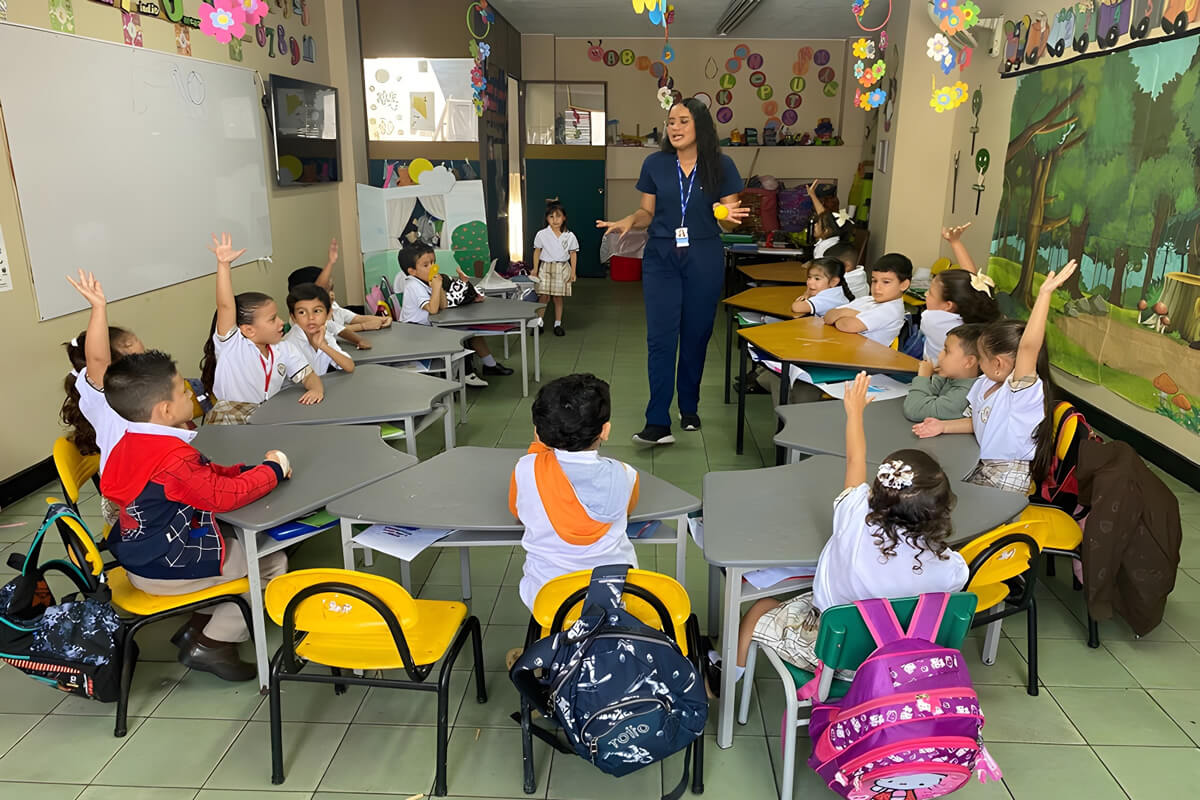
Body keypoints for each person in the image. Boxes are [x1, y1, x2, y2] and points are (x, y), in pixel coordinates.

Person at [703, 372, 967, 694]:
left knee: (759, 608)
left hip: (833, 658)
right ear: (941, 510)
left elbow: (855, 461)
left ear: (877, 497)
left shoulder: (856, 517)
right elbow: (954, 580)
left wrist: (854, 413)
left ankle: (726, 679)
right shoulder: (947, 566)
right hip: (900, 665)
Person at [99, 350, 291, 681]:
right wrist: (273, 470)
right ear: (166, 409)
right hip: (165, 565)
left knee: (234, 548)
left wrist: (246, 471)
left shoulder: (130, 443)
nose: (191, 392)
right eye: (183, 390)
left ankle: (198, 624)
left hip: (140, 557)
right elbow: (222, 496)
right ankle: (211, 642)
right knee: (271, 561)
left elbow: (204, 478)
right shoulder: (172, 459)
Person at [597, 98, 748, 445]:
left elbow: (730, 219)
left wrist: (723, 214)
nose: (675, 128)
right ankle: (657, 421)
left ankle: (689, 406)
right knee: (661, 340)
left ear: (700, 125)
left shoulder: (722, 165)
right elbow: (647, 212)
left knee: (696, 336)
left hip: (704, 253)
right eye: (670, 122)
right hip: (661, 254)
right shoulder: (655, 163)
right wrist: (630, 221)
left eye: (683, 121)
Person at [914, 261, 1077, 493]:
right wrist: (943, 426)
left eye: (980, 357)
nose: (977, 363)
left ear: (998, 364)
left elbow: (1028, 347)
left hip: (1007, 476)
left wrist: (1044, 295)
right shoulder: (985, 382)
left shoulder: (1019, 392)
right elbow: (979, 420)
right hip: (982, 464)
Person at [508, 374, 640, 611]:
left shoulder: (526, 469)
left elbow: (517, 512)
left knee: (550, 608)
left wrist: (538, 448)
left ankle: (550, 644)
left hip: (549, 600)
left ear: (540, 431)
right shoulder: (627, 475)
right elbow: (626, 512)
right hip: (615, 596)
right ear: (605, 431)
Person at [200, 234, 324, 424]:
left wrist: (316, 389)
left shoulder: (283, 348)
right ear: (249, 330)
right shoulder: (233, 346)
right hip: (230, 425)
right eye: (272, 319)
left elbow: (309, 376)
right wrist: (223, 265)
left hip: (264, 418)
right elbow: (225, 306)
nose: (281, 322)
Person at [61, 270, 147, 527]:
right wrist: (99, 308)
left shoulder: (139, 388)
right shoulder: (102, 394)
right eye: (133, 349)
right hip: (127, 499)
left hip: (149, 480)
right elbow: (99, 360)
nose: (142, 350)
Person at [395, 242, 510, 388]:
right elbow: (432, 309)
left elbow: (443, 305)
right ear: (412, 271)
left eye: (433, 262)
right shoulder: (413, 285)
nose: (432, 267)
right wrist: (436, 287)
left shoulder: (424, 282)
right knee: (461, 335)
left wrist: (440, 286)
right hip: (417, 333)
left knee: (470, 329)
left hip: (430, 327)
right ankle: (463, 375)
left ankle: (489, 365)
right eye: (426, 265)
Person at [824, 253, 913, 346]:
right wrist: (851, 314)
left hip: (864, 358)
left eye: (886, 282)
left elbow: (847, 326)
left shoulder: (891, 310)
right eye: (874, 281)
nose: (877, 287)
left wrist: (843, 314)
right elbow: (828, 316)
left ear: (904, 285)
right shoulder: (867, 299)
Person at [903, 323, 985, 422]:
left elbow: (914, 409)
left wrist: (923, 377)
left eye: (947, 351)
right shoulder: (951, 377)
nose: (940, 355)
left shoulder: (965, 396)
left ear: (969, 362)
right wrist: (939, 374)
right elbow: (926, 394)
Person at [920, 269, 1001, 364]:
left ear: (948, 305)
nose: (926, 295)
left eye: (930, 293)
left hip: (933, 370)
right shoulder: (977, 326)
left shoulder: (930, 320)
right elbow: (971, 286)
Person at [283, 283, 356, 374]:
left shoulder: (324, 334)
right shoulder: (289, 343)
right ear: (293, 317)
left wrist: (323, 346)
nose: (310, 317)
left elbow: (349, 366)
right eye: (302, 312)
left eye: (316, 311)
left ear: (328, 314)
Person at [530, 200, 579, 337]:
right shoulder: (541, 234)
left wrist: (573, 272)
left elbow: (573, 254)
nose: (555, 220)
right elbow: (537, 251)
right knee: (544, 296)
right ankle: (539, 322)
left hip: (562, 267)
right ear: (547, 219)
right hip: (545, 267)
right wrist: (535, 268)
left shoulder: (569, 236)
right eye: (551, 216)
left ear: (564, 218)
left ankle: (558, 323)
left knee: (558, 298)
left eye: (558, 216)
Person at [791, 256, 856, 317]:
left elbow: (797, 308)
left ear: (834, 282)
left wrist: (806, 295)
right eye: (809, 277)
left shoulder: (827, 298)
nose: (810, 282)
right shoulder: (836, 292)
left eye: (817, 279)